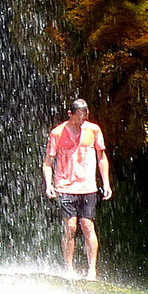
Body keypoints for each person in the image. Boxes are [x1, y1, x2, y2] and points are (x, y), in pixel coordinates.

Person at [42, 98, 111, 280]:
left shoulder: (94, 130)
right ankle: (68, 269)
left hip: (87, 185)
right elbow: (48, 162)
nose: (80, 121)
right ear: (70, 114)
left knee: (88, 225)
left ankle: (92, 270)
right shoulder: (57, 133)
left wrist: (106, 184)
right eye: (77, 118)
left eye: (84, 117)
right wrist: (48, 184)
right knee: (70, 226)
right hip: (65, 185)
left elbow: (102, 158)